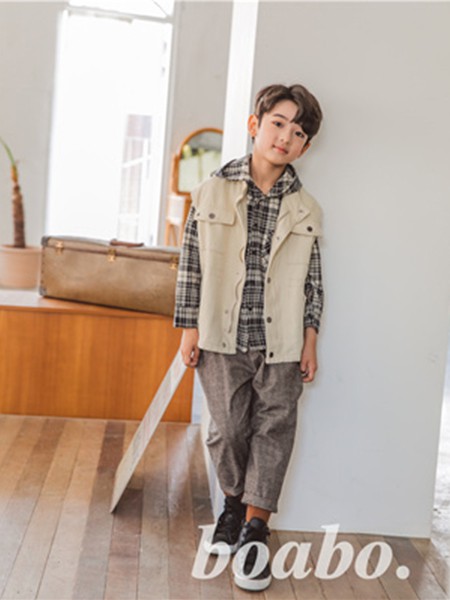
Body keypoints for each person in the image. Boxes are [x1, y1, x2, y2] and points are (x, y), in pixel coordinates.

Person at [174, 83, 324, 592]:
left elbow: (313, 281)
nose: (286, 137)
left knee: (274, 429)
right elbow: (191, 266)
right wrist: (189, 327)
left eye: (298, 132)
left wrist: (310, 338)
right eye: (278, 123)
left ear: (305, 146)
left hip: (283, 340)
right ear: (255, 125)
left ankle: (256, 529)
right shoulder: (210, 192)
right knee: (227, 429)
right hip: (221, 335)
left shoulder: (307, 208)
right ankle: (233, 506)